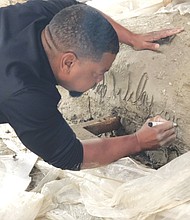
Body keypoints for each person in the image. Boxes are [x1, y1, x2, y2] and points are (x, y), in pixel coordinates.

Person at [0, 0, 180, 170]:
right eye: (98, 73)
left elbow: (81, 12)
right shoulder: (25, 94)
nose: (100, 80)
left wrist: (132, 38)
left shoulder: (35, 14)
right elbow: (70, 156)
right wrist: (138, 141)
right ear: (69, 62)